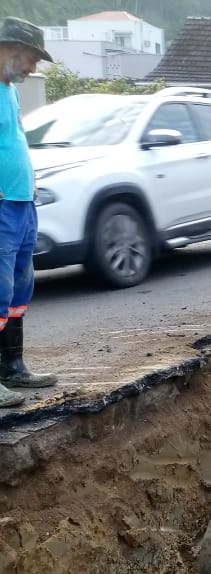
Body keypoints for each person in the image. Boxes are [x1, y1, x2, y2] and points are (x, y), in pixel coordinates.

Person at [0, 17, 55, 408]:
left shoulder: (11, 92)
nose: (33, 68)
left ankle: (12, 366)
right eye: (32, 58)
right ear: (9, 49)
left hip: (21, 202)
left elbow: (15, 138)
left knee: (20, 287)